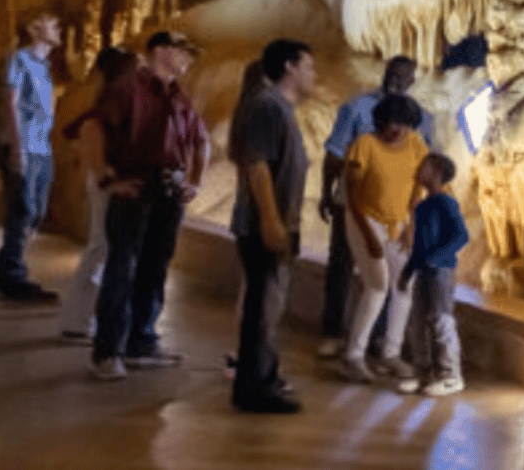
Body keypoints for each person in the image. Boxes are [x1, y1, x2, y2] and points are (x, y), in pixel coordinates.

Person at [89, 30, 207, 382]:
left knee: (154, 269)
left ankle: (141, 342)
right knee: (122, 268)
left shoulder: (180, 98)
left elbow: (200, 139)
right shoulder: (128, 88)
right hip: (136, 186)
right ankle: (107, 351)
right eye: (182, 51)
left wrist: (194, 180)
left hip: (168, 190)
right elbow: (93, 129)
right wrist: (107, 180)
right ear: (160, 51)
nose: (187, 58)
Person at [228, 39, 317, 414]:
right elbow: (257, 165)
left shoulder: (280, 108)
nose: (315, 75)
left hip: (276, 222)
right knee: (262, 308)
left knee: (268, 305)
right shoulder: (267, 107)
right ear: (289, 67)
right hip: (264, 224)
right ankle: (254, 388)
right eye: (309, 67)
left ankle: (263, 375)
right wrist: (270, 220)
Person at [320, 56, 420, 358]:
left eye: (404, 77)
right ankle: (334, 332)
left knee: (386, 275)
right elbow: (335, 155)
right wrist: (327, 192)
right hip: (352, 203)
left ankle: (376, 338)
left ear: (412, 82)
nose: (397, 81)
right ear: (384, 73)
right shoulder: (356, 108)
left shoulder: (420, 117)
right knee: (341, 265)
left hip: (393, 212)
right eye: (393, 74)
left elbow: (422, 167)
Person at [340, 93, 430, 384]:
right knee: (377, 284)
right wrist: (368, 237)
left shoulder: (415, 144)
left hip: (399, 223)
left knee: (404, 283)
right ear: (382, 122)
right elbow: (351, 195)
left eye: (406, 125)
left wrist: (412, 225)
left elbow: (418, 185)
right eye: (394, 124)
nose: (399, 131)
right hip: (365, 218)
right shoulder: (364, 146)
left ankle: (391, 353)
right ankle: (354, 355)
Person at [58, 46, 137, 342]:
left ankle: (83, 316)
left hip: (106, 179)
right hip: (106, 181)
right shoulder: (110, 101)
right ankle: (77, 320)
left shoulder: (113, 98)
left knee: (103, 247)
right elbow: (88, 130)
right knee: (100, 246)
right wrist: (105, 179)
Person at [0, 12, 64, 302]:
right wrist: (17, 148)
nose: (58, 28)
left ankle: (1, 271)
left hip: (42, 146)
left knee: (37, 211)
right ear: (34, 29)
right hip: (23, 145)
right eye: (52, 23)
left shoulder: (44, 66)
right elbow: (11, 102)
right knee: (22, 210)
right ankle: (13, 276)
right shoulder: (18, 59)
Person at [401, 151, 468, 398]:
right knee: (417, 321)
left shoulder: (447, 203)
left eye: (424, 165)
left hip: (441, 271)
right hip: (422, 271)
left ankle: (451, 376)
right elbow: (418, 244)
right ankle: (422, 373)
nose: (418, 168)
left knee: (442, 321)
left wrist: (436, 258)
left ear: (437, 172)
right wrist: (408, 271)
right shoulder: (423, 206)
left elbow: (461, 235)